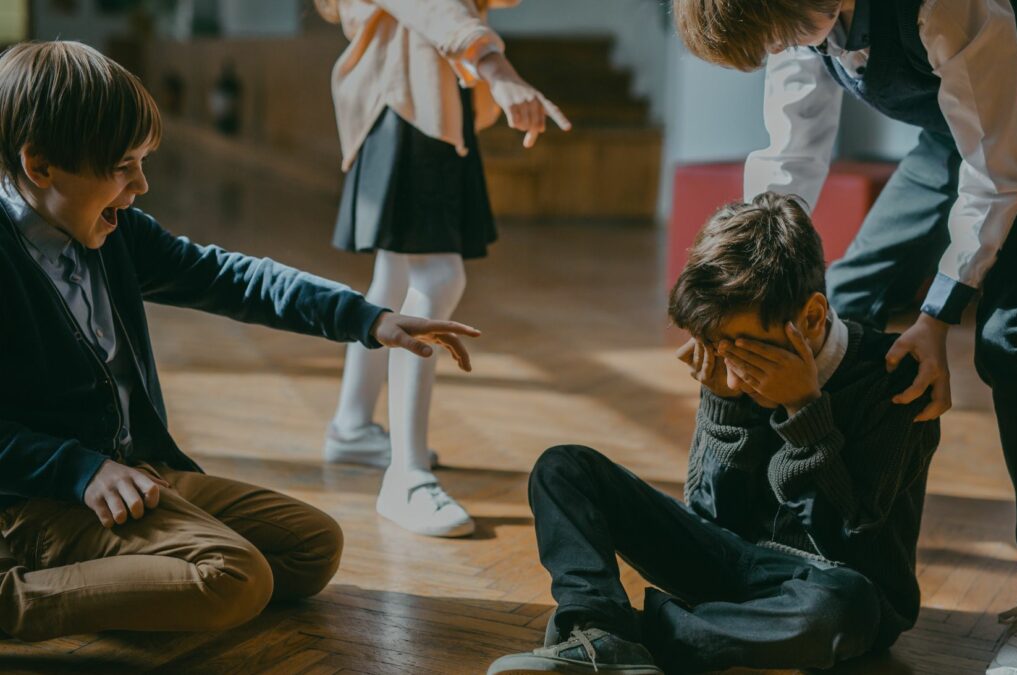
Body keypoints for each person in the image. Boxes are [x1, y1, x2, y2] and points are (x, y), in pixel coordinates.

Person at [0, 40, 479, 641]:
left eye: (143, 162)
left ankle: (126, 572)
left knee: (310, 549)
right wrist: (79, 469)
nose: (142, 185)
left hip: (133, 474)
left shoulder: (110, 231)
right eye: (122, 167)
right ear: (39, 166)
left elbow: (226, 277)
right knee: (235, 576)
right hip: (31, 503)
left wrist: (368, 319)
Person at [674, 2, 1017, 673]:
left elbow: (999, 175)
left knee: (1011, 337)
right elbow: (791, 150)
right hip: (953, 136)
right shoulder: (788, 16)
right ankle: (811, 540)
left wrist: (938, 316)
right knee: (838, 301)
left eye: (783, 34)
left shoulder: (944, 6)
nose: (786, 47)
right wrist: (751, 274)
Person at [487, 193, 941, 674]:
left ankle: (626, 637)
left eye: (749, 354)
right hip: (731, 564)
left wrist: (803, 409)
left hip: (831, 585)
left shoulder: (898, 381)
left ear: (810, 317)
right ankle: (598, 623)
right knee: (563, 467)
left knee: (842, 606)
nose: (734, 371)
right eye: (716, 349)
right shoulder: (729, 357)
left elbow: (848, 541)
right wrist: (725, 406)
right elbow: (712, 517)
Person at [316, 0, 570, 538]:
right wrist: (498, 70)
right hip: (410, 99)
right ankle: (406, 476)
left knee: (397, 279)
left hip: (429, 96)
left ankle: (353, 426)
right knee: (438, 279)